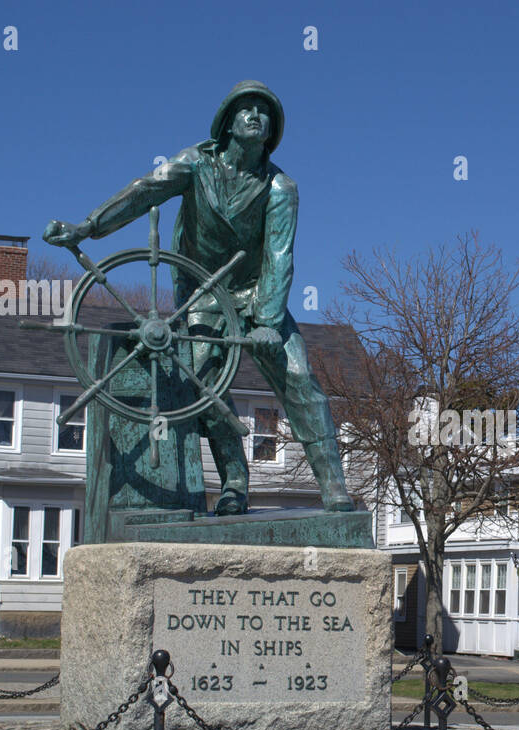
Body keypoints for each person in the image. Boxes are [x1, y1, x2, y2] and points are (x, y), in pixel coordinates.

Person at [44, 80, 353, 513]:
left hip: (259, 292)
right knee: (205, 383)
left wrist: (266, 321)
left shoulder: (281, 188)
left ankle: (334, 487)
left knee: (300, 378)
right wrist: (88, 227)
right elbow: (143, 191)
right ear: (226, 122)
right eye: (245, 109)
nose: (255, 116)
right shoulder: (195, 164)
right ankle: (234, 482)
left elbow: (280, 256)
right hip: (204, 291)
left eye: (264, 112)